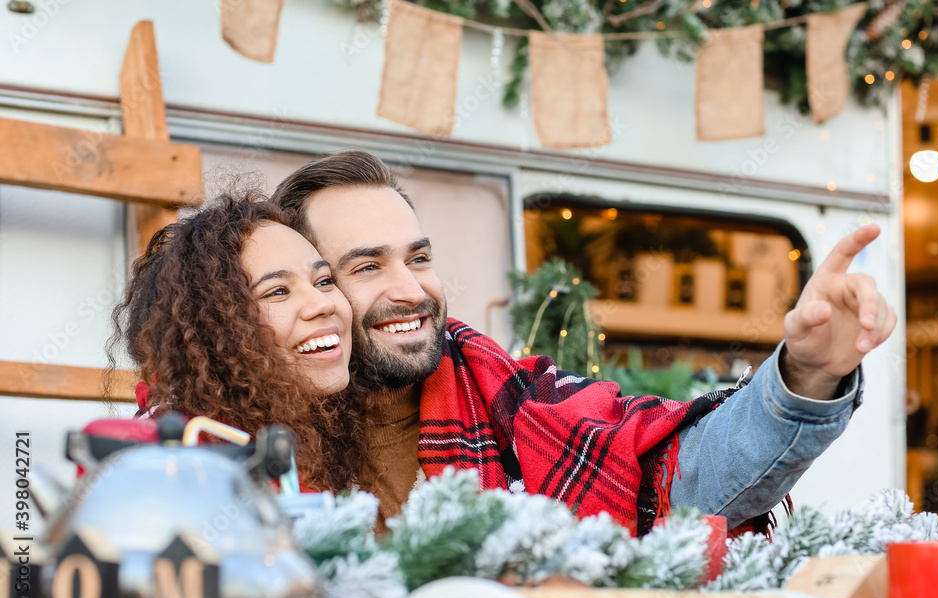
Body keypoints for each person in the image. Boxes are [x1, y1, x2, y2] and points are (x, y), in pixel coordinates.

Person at [271, 151, 897, 536]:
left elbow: (687, 472)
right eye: (366, 267)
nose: (411, 289)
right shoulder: (228, 433)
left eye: (419, 257)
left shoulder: (521, 401)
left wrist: (807, 373)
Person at [108, 193, 372, 493]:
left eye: (324, 281)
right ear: (215, 330)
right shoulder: (182, 460)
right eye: (277, 292)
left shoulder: (327, 433)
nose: (322, 304)